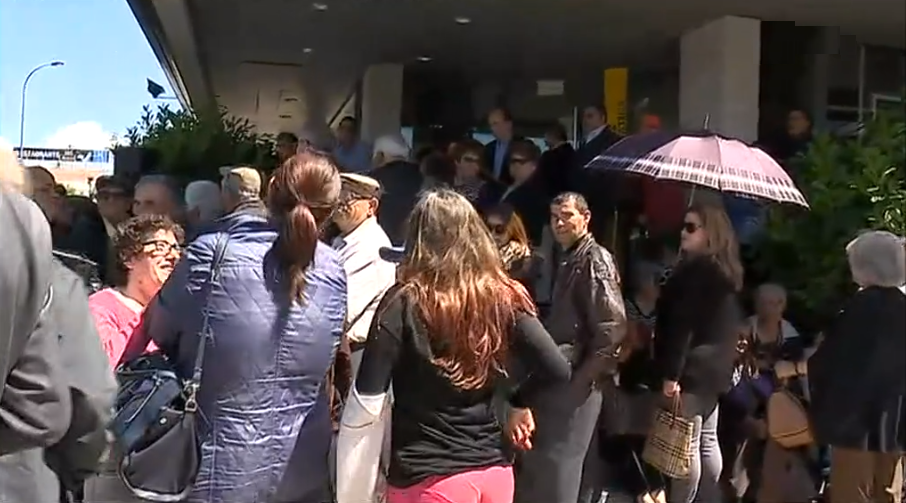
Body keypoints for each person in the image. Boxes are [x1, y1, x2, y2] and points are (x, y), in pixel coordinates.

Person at [121, 150, 347, 503]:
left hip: (219, 467)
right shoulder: (335, 269)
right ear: (331, 209)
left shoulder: (211, 253)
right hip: (304, 466)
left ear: (272, 188)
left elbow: (159, 328)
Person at [337, 188, 571, 503]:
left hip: (430, 478)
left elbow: (366, 405)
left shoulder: (404, 302)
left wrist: (354, 492)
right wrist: (518, 399)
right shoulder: (503, 296)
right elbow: (556, 369)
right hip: (495, 473)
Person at [514, 191, 627, 503]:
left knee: (560, 466)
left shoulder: (595, 259)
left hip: (579, 379)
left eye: (566, 215)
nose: (560, 223)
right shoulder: (561, 256)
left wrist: (580, 379)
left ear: (585, 218)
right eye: (554, 217)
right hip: (561, 374)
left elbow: (612, 329)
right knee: (558, 466)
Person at [652, 202, 744, 503]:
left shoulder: (696, 272)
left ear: (711, 233)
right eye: (683, 225)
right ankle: (708, 498)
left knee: (685, 443)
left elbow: (682, 327)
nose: (683, 232)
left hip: (692, 368)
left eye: (691, 227)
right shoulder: (724, 270)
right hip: (715, 368)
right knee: (705, 439)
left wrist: (671, 374)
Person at [808, 230, 905, 503]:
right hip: (896, 425)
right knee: (889, 493)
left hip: (857, 426)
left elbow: (830, 362)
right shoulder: (901, 306)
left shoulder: (860, 309)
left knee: (853, 493)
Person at [602, 260, 666, 503]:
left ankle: (652, 491)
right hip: (628, 376)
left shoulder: (662, 310)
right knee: (627, 433)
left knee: (647, 436)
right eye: (655, 280)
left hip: (651, 379)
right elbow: (624, 341)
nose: (659, 286)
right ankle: (643, 492)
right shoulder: (627, 307)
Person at [87, 214, 183, 367]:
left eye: (175, 248)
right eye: (161, 246)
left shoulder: (179, 309)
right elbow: (102, 362)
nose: (174, 256)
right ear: (128, 258)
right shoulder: (101, 305)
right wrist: (150, 316)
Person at [369, 134, 423, 246]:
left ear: (380, 155)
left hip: (380, 244)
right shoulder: (421, 175)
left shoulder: (372, 180)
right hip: (414, 242)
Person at [484, 203, 541, 296]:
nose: (492, 235)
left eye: (499, 230)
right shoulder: (484, 252)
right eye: (488, 228)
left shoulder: (520, 257)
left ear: (512, 229)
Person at [500, 140, 549, 245]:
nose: (514, 165)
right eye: (511, 161)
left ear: (534, 165)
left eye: (519, 161)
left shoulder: (537, 193)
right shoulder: (504, 188)